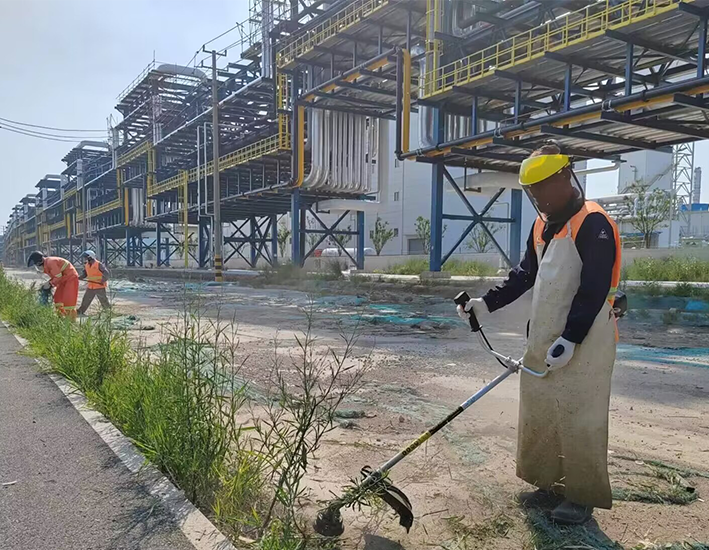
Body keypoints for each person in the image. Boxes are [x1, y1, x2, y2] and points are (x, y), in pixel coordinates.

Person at [457, 141, 621, 525]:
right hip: (546, 338)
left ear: (565, 177)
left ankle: (580, 496)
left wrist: (571, 337)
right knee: (542, 410)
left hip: (587, 340)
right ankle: (548, 484)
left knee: (579, 416)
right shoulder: (541, 226)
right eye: (532, 192)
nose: (538, 198)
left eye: (543, 188)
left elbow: (594, 287)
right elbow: (524, 275)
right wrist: (486, 303)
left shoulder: (593, 222)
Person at [27, 251, 79, 320]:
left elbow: (58, 277)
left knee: (68, 301)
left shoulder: (51, 262)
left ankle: (71, 322)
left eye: (36, 265)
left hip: (70, 278)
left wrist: (50, 284)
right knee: (58, 299)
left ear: (39, 262)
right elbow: (56, 277)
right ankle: (61, 318)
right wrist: (49, 283)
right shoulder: (46, 265)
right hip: (62, 280)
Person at [77, 250, 110, 315]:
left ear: (90, 257)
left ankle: (108, 312)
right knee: (86, 299)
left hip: (99, 286)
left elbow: (106, 273)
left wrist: (102, 280)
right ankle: (81, 311)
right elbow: (85, 274)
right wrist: (79, 277)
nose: (85, 259)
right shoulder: (86, 265)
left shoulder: (98, 264)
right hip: (91, 286)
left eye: (86, 257)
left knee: (103, 300)